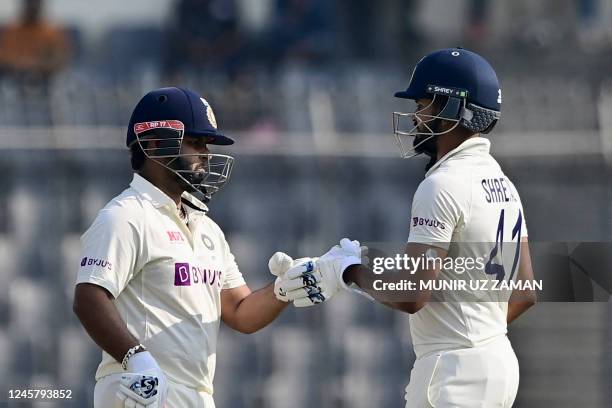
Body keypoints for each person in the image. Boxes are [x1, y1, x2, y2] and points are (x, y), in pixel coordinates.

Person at [276, 48, 537, 407]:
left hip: (452, 371)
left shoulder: (441, 184)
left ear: (451, 109)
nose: (415, 117)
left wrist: (347, 271)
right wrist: (478, 334)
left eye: (423, 105)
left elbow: (411, 296)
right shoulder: (503, 183)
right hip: (499, 362)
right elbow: (524, 293)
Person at [72, 87, 320, 408]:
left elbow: (240, 312)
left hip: (195, 394)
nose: (204, 154)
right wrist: (138, 361)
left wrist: (283, 289)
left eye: (205, 144)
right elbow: (89, 297)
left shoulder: (207, 229)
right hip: (139, 389)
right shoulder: (125, 216)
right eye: (194, 142)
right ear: (152, 143)